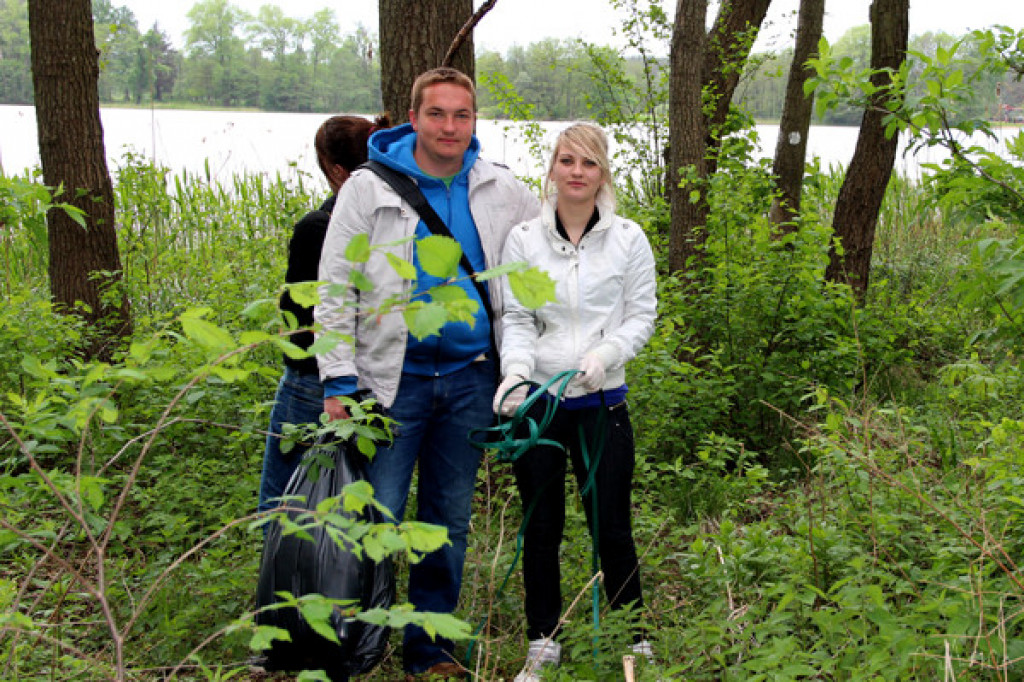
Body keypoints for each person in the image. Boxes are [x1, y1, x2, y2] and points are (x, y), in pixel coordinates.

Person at [315, 67, 540, 679]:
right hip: (390, 384)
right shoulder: (369, 189)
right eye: (436, 114)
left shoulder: (501, 189)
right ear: (412, 118)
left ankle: (428, 649)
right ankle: (356, 645)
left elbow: (544, 249)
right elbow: (335, 287)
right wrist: (338, 380)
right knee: (376, 514)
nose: (450, 127)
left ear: (474, 122)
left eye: (461, 116)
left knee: (446, 518)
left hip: (470, 379)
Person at [492, 122, 657, 681]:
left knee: (610, 524)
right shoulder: (523, 240)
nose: (577, 172)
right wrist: (516, 374)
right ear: (552, 169)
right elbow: (515, 316)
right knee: (540, 526)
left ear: (603, 172)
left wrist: (607, 353)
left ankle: (634, 640)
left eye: (588, 163)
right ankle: (542, 643)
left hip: (602, 401)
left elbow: (641, 316)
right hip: (539, 402)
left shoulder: (629, 239)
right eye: (567, 161)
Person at [258, 113, 392, 515]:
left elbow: (299, 320)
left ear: (335, 169)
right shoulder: (388, 221)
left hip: (312, 381)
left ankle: (285, 574)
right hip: (373, 377)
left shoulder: (319, 227)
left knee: (283, 496)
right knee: (352, 494)